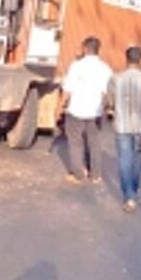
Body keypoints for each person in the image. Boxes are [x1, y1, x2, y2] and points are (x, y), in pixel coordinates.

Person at [56, 36, 113, 185]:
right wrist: (107, 108)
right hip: (95, 112)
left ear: (85, 48)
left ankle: (79, 174)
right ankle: (96, 175)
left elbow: (67, 89)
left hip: (76, 110)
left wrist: (59, 107)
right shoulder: (105, 68)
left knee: (75, 142)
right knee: (94, 143)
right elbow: (108, 92)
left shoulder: (77, 66)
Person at [108, 46, 141, 212]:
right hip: (140, 125)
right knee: (137, 159)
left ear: (126, 59)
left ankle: (129, 197)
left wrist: (113, 110)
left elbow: (110, 101)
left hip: (121, 125)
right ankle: (134, 189)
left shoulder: (115, 78)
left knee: (124, 160)